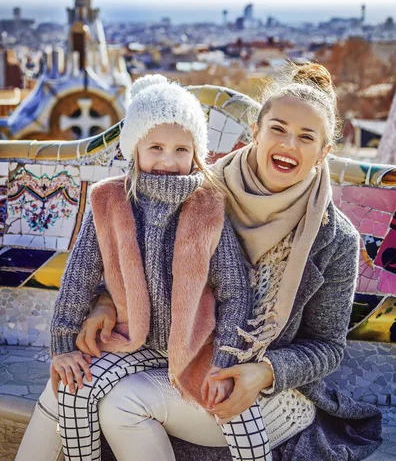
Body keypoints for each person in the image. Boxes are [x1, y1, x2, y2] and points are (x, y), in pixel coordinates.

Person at [17, 63, 382, 461]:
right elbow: (138, 256)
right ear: (255, 132)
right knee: (64, 388)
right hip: (177, 358)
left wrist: (265, 371)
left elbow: (327, 346)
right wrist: (104, 302)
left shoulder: (333, 236)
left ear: (323, 152)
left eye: (306, 137)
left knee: (122, 401)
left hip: (261, 390)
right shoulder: (200, 188)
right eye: (277, 128)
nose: (289, 144)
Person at [16, 74, 272, 461]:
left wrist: (226, 358)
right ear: (134, 148)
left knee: (244, 427)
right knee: (71, 389)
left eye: (181, 149)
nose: (168, 161)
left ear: (196, 153)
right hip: (131, 339)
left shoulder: (206, 207)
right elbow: (79, 278)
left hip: (193, 347)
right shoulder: (109, 201)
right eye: (155, 147)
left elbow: (235, 291)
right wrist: (62, 345)